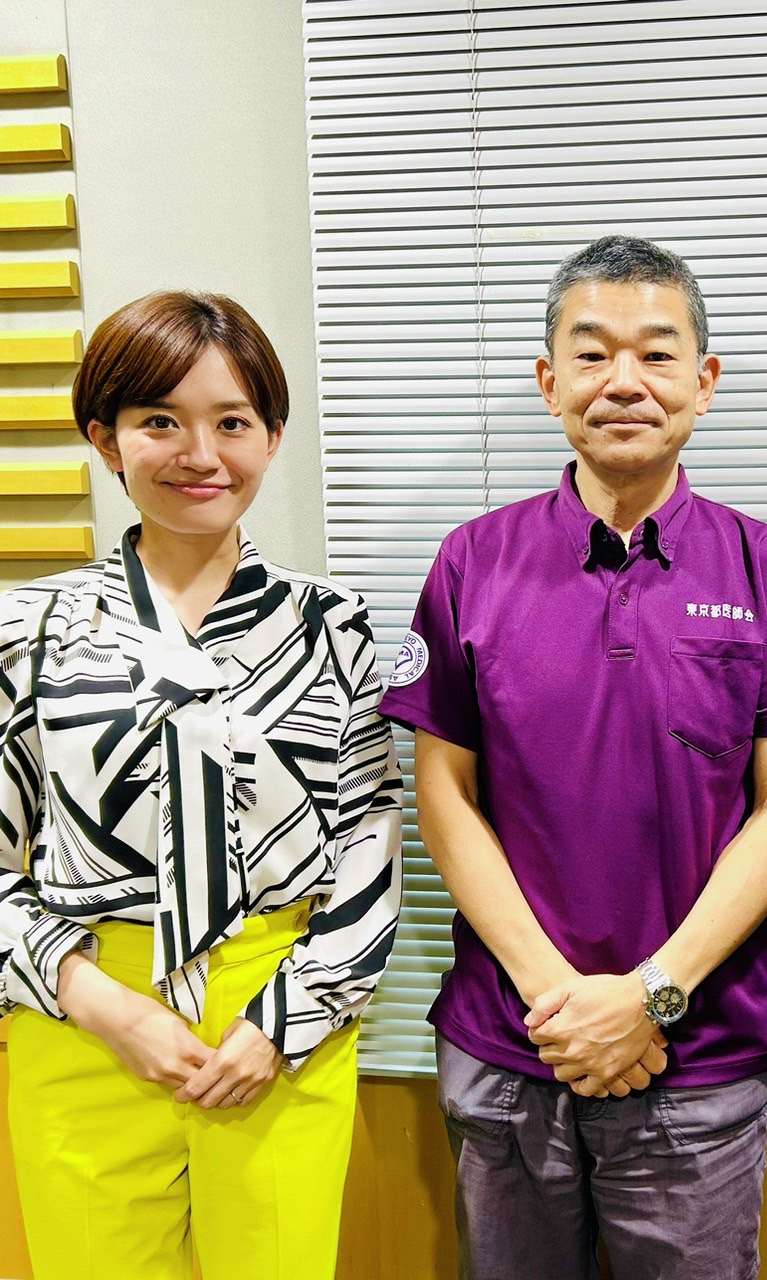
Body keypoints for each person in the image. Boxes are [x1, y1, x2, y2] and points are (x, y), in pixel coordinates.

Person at [380, 235, 767, 1280]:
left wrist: (650, 994)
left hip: (698, 1059)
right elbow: (443, 794)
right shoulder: (472, 559)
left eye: (656, 352)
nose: (623, 382)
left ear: (703, 379)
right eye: (590, 354)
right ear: (549, 382)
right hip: (514, 1049)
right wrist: (563, 1000)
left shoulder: (765, 567)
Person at [0, 291, 403, 1280]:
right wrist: (100, 1000)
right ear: (105, 437)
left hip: (277, 1021)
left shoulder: (334, 627)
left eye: (231, 421)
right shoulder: (29, 629)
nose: (199, 454)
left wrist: (283, 1020)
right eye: (159, 422)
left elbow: (368, 840)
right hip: (84, 1012)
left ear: (271, 434)